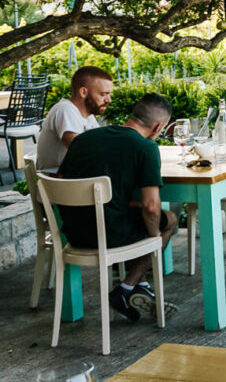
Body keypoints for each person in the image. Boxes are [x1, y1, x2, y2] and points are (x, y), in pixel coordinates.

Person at [57, 93, 178, 322]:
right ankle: (125, 289)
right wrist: (153, 242)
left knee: (134, 211)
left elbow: (63, 179)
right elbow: (152, 208)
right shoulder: (145, 148)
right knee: (167, 220)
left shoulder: (84, 138)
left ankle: (140, 286)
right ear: (158, 126)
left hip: (73, 232)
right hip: (109, 234)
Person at [36, 66, 113, 171]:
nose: (109, 100)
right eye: (103, 94)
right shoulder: (65, 109)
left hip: (75, 178)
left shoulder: (88, 116)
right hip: (59, 184)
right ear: (83, 92)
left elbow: (101, 147)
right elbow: (81, 151)